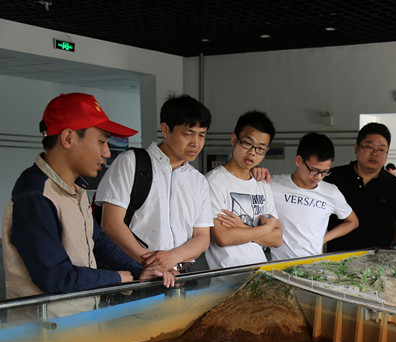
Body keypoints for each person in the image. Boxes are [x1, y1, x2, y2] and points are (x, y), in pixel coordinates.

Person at [2, 93, 174, 299]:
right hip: (49, 319)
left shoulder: (75, 190)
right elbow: (56, 276)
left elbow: (98, 241)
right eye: (101, 141)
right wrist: (116, 278)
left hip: (81, 314)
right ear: (68, 138)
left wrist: (139, 272)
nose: (107, 153)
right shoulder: (36, 195)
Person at [95, 94, 213, 273]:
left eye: (201, 135)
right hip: (136, 271)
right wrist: (155, 266)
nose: (196, 143)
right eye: (188, 134)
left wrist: (173, 257)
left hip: (182, 273)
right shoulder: (131, 162)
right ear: (165, 130)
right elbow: (111, 223)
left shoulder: (198, 181)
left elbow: (202, 238)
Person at [204, 111, 282, 269]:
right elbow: (223, 237)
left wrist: (243, 228)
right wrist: (266, 229)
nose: (252, 152)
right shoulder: (214, 182)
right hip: (228, 277)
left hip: (260, 273)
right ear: (234, 140)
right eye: (247, 143)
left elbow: (277, 239)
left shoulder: (262, 185)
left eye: (260, 148)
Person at [269, 133, 358, 260]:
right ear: (299, 160)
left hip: (314, 266)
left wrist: (324, 239)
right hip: (279, 266)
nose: (318, 177)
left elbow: (352, 222)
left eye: (325, 172)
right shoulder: (273, 185)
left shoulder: (331, 192)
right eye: (314, 170)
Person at [324, 123, 396, 252]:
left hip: (378, 259)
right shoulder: (333, 178)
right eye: (369, 147)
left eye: (381, 149)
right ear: (356, 148)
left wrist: (385, 241)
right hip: (337, 257)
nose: (375, 154)